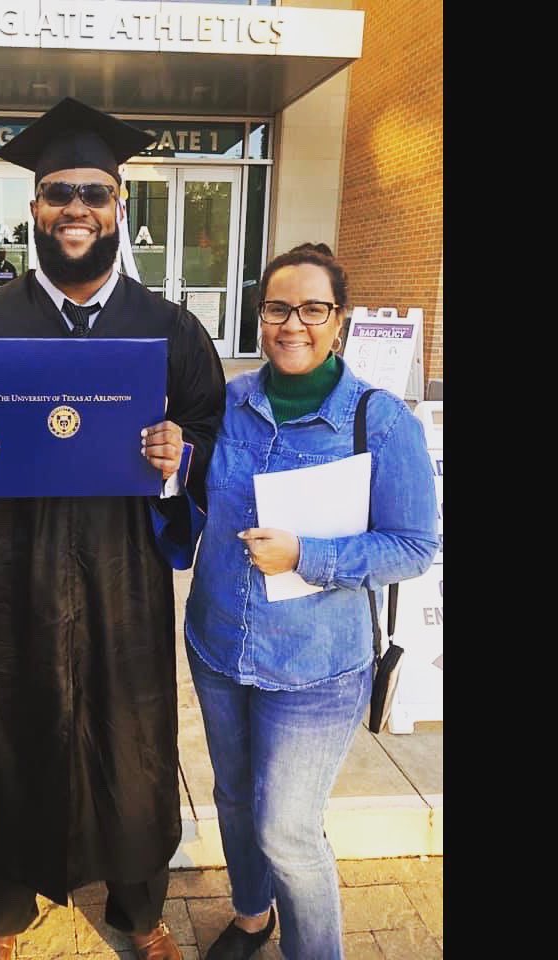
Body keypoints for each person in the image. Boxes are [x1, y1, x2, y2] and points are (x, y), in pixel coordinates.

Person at [0, 98, 226, 960]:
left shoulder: (167, 327)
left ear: (121, 207)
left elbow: (212, 434)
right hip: (16, 571)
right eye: (57, 194)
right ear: (33, 208)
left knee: (131, 735)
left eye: (94, 192)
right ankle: (6, 911)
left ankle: (140, 909)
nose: (75, 209)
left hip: (126, 576)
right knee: (18, 725)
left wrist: (179, 453)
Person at [184, 242, 439, 960]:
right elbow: (197, 500)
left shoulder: (380, 421)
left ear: (340, 320)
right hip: (219, 644)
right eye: (276, 308)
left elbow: (415, 545)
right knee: (234, 799)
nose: (292, 324)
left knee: (288, 831)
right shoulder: (230, 403)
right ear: (259, 314)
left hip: (317, 669)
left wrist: (309, 556)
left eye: (312, 309)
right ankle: (250, 915)